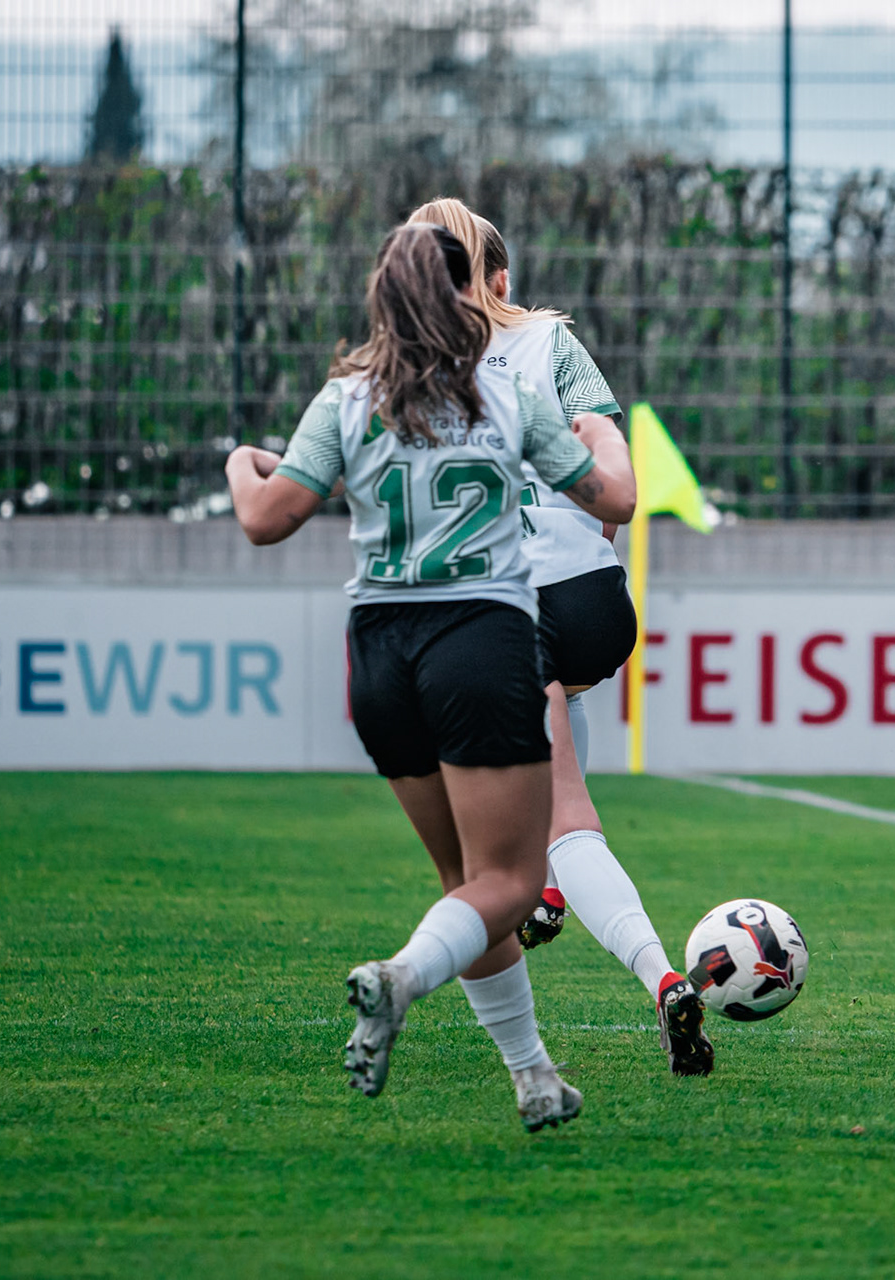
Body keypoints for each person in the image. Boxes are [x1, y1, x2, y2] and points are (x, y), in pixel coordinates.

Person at [223, 221, 638, 1127]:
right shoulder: (501, 389)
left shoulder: (344, 399)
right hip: (480, 642)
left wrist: (239, 460)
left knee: (467, 881)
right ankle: (401, 978)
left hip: (376, 654)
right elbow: (614, 499)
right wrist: (605, 448)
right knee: (513, 884)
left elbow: (264, 516)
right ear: (465, 295)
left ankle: (534, 1078)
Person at [406, 198, 714, 1078]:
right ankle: (547, 891)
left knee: (564, 818)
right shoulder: (549, 341)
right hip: (592, 595)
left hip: (494, 604)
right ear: (501, 279)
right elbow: (609, 464)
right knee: (551, 723)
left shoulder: (409, 368)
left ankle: (658, 977)